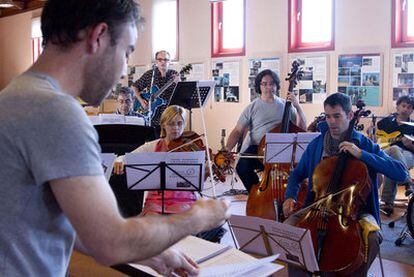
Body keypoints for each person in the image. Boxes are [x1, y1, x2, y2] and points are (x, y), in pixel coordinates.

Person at [0, 1, 230, 276]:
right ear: (98, 37)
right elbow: (111, 242)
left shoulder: (15, 97)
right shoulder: (57, 112)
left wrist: (148, 251)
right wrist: (198, 217)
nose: (124, 70)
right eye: (126, 52)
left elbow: (59, 218)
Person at [283, 93, 408, 276]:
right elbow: (297, 174)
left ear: (350, 116)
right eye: (327, 116)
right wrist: (290, 196)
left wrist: (362, 155)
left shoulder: (364, 144)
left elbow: (401, 172)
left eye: (337, 116)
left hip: (355, 211)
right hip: (317, 208)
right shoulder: (317, 144)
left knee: (372, 239)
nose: (331, 122)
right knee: (288, 231)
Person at [113, 105, 225, 242]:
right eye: (171, 124)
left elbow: (197, 183)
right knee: (150, 235)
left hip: (185, 201)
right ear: (163, 125)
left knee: (190, 231)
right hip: (156, 202)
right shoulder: (153, 146)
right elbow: (127, 157)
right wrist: (119, 160)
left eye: (180, 123)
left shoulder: (191, 148)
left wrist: (206, 172)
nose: (176, 128)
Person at [224, 69, 307, 192]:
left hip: (283, 149)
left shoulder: (286, 105)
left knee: (299, 169)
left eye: (272, 83)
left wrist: (298, 106)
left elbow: (302, 128)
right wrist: (227, 149)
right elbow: (237, 131)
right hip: (258, 149)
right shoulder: (252, 107)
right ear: (259, 86)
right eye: (264, 84)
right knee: (242, 167)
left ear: (276, 85)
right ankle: (256, 193)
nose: (269, 87)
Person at [377, 95, 414, 216]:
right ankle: (407, 181)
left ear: (412, 110)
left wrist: (410, 145)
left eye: (409, 107)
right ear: (397, 106)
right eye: (403, 106)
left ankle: (388, 202)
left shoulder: (412, 127)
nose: (405, 109)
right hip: (385, 150)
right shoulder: (386, 122)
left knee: (393, 162)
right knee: (394, 149)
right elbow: (377, 133)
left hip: (408, 154)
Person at [132, 50, 179, 136]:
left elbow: (179, 94)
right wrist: (142, 101)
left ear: (170, 62)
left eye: (166, 59)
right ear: (156, 61)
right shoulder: (150, 74)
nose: (163, 62)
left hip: (169, 118)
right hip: (151, 118)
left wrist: (178, 83)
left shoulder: (174, 75)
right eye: (160, 59)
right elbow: (134, 87)